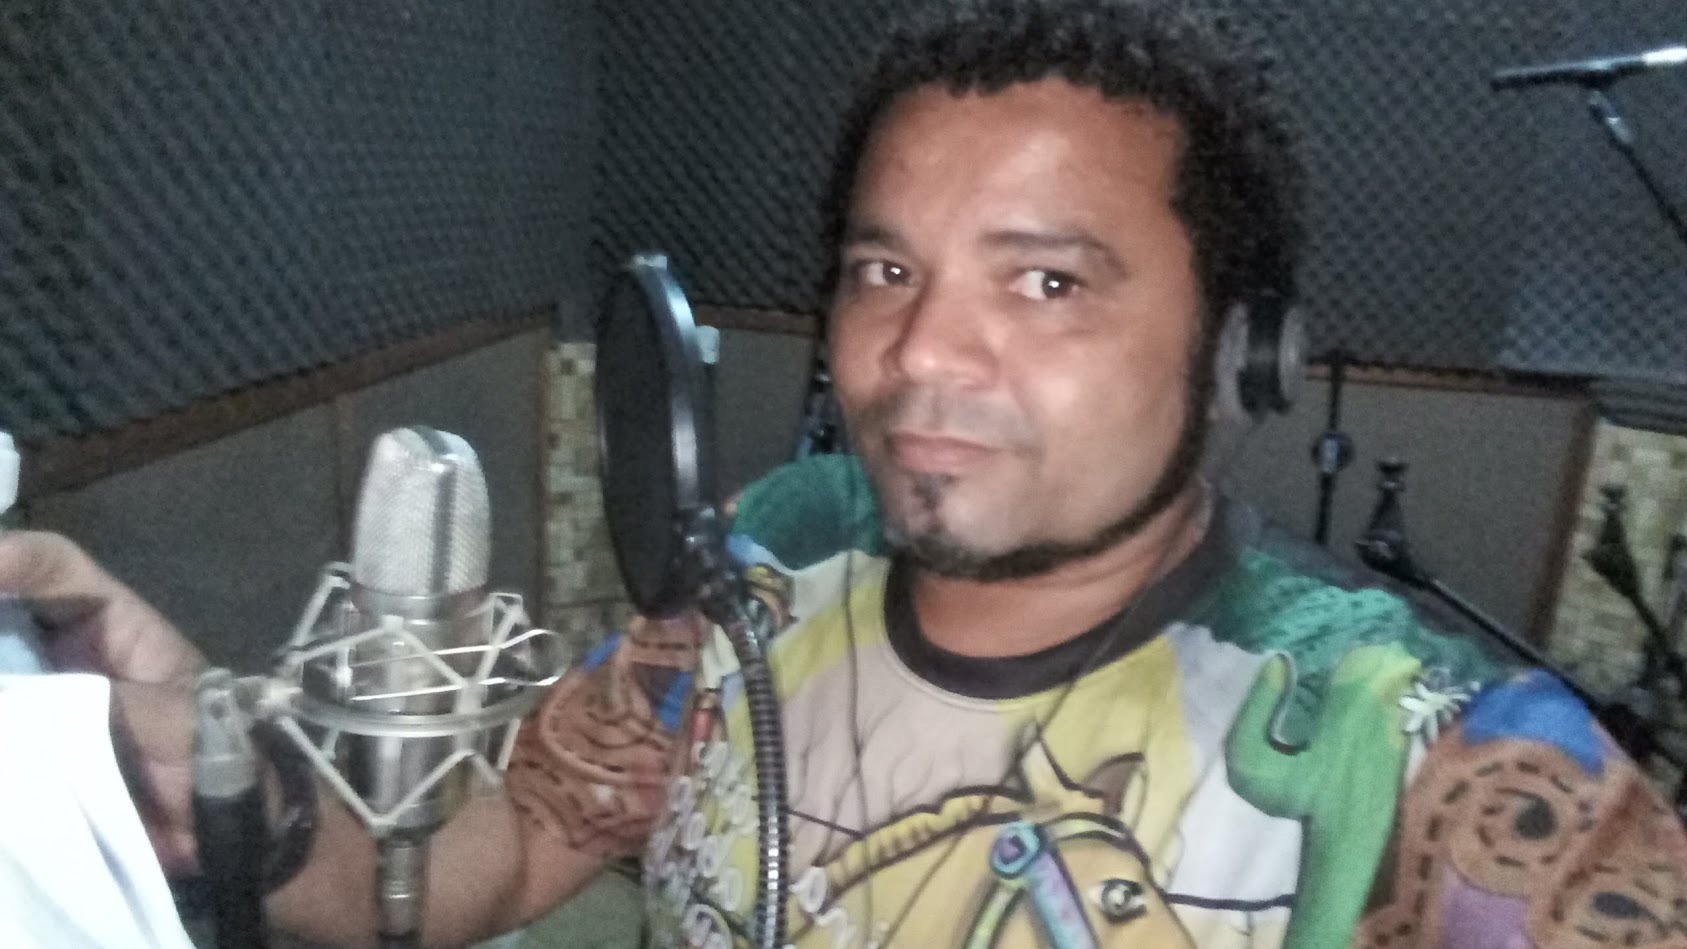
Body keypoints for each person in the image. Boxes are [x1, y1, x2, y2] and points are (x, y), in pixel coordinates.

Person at [3, 1, 1685, 947]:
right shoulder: (768, 561)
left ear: (1241, 353)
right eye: (887, 271)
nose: (922, 352)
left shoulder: (1424, 740)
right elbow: (477, 873)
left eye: (1046, 281)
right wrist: (216, 769)